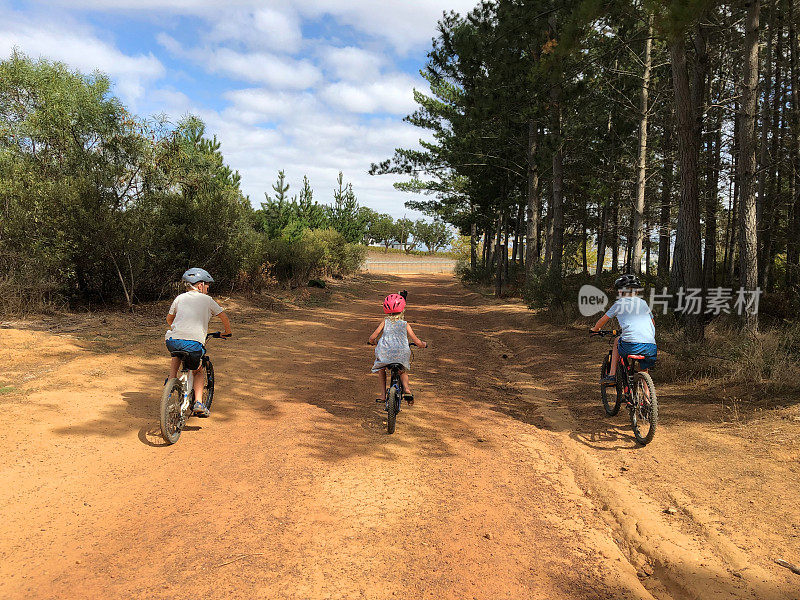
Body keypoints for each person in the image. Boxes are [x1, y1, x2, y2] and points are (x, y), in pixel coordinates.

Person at [165, 268, 231, 416]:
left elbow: (169, 319)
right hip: (193, 344)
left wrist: (180, 328)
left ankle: (171, 380)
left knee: (176, 353)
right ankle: (199, 403)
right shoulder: (207, 300)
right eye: (207, 286)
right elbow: (224, 317)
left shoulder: (179, 298)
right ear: (200, 285)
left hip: (173, 340)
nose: (208, 289)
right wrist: (227, 332)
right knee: (198, 371)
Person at [591, 274, 657, 384]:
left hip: (631, 346)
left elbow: (603, 320)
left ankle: (611, 375)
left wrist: (595, 329)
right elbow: (653, 323)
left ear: (621, 291)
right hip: (650, 346)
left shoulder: (619, 304)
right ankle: (648, 399)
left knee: (617, 340)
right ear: (637, 291)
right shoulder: (644, 303)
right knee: (645, 371)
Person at [369, 292, 427, 405]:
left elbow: (372, 337)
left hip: (384, 353)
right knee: (402, 371)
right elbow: (417, 341)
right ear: (402, 309)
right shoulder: (405, 324)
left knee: (382, 370)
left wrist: (373, 342)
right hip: (401, 354)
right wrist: (422, 345)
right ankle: (407, 389)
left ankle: (383, 395)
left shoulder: (385, 322)